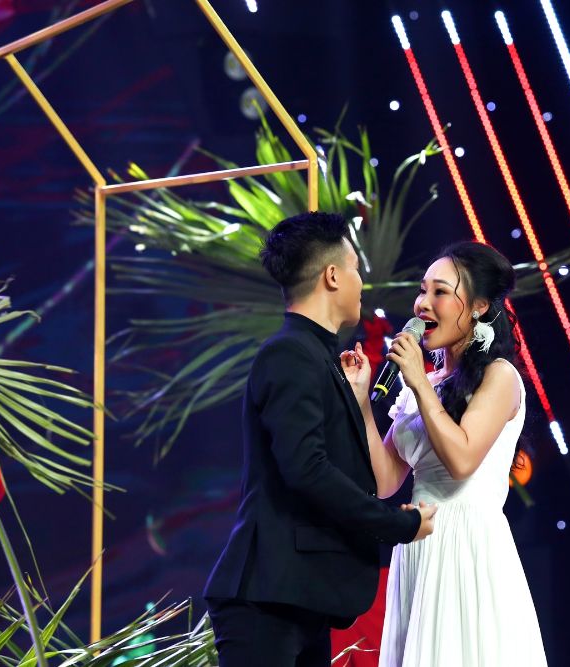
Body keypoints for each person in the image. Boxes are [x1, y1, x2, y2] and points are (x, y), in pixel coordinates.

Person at [203, 211, 437, 667]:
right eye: (355, 269)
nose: (361, 283)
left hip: (300, 597)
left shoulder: (316, 356)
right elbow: (307, 470)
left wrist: (358, 400)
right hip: (266, 598)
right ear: (332, 276)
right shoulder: (289, 353)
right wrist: (395, 524)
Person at [340, 241, 548, 666]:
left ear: (479, 306)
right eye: (422, 290)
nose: (423, 304)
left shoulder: (500, 377)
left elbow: (462, 459)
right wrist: (361, 400)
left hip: (467, 543)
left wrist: (418, 381)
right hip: (418, 540)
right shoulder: (425, 384)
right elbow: (385, 481)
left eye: (440, 292)